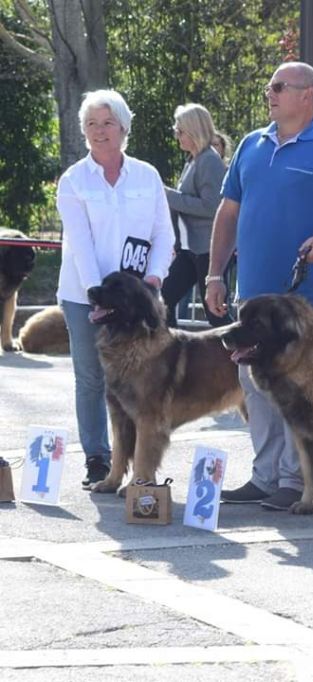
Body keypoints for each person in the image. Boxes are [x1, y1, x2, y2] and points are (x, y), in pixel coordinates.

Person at [205, 61, 313, 510]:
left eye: (279, 86)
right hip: (252, 293)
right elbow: (228, 212)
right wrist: (214, 273)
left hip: (304, 299)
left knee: (299, 385)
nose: (270, 92)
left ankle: (296, 480)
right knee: (253, 379)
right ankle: (264, 475)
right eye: (269, 86)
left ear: (308, 95)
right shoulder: (250, 144)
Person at [55, 89, 175, 488]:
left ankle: (138, 461)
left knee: (141, 379)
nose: (99, 131)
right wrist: (97, 295)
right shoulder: (73, 180)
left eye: (107, 123)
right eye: (91, 124)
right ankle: (97, 457)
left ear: (124, 127)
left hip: (138, 296)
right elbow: (81, 244)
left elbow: (163, 233)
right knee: (91, 377)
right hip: (84, 295)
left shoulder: (147, 175)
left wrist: (155, 278)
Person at [161, 103, 231, 328]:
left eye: (180, 131)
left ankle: (239, 360)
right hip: (192, 249)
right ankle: (168, 351)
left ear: (194, 131)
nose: (176, 135)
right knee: (164, 299)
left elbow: (213, 207)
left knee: (215, 313)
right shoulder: (194, 159)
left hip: (208, 250)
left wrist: (169, 195)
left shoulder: (208, 160)